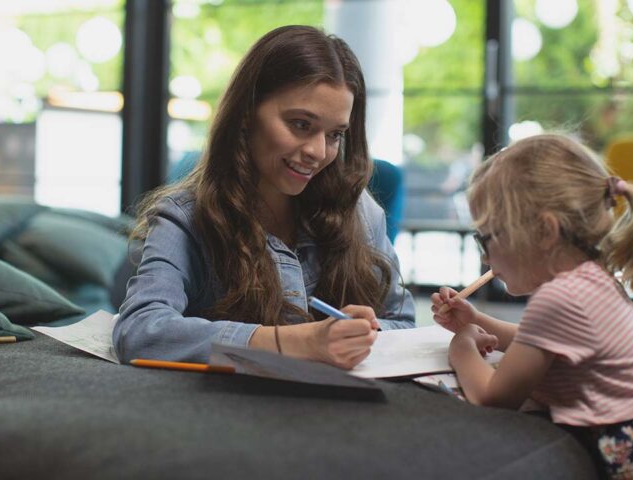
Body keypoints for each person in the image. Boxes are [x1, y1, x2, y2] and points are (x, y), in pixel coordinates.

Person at [115, 25, 414, 370]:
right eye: (301, 124)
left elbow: (404, 325)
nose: (318, 152)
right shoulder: (184, 218)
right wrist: (295, 342)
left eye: (334, 135)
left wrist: (362, 334)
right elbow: (139, 332)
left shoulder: (361, 213)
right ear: (245, 113)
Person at [431, 134, 633, 478]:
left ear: (545, 231)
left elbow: (493, 399)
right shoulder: (591, 277)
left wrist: (462, 348)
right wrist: (475, 321)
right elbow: (541, 342)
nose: (485, 255)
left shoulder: (558, 298)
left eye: (488, 237)